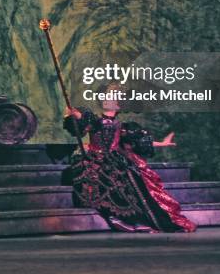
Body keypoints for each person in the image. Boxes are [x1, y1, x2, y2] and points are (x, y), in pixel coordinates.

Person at [63, 86, 197, 233]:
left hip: (114, 160)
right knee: (109, 180)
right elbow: (84, 123)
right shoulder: (95, 120)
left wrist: (162, 143)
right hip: (96, 160)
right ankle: (118, 218)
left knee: (134, 180)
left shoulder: (121, 126)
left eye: (114, 97)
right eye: (108, 96)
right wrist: (75, 115)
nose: (109, 99)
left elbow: (138, 141)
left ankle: (138, 220)